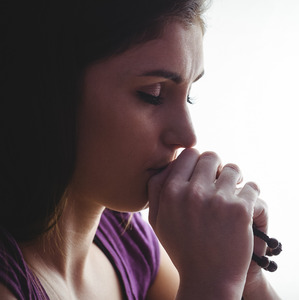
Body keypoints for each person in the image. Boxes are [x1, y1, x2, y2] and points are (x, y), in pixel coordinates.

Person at [0, 0, 281, 299]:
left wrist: (246, 277)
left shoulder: (129, 242)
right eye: (153, 94)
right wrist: (215, 283)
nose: (187, 136)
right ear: (46, 91)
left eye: (189, 97)